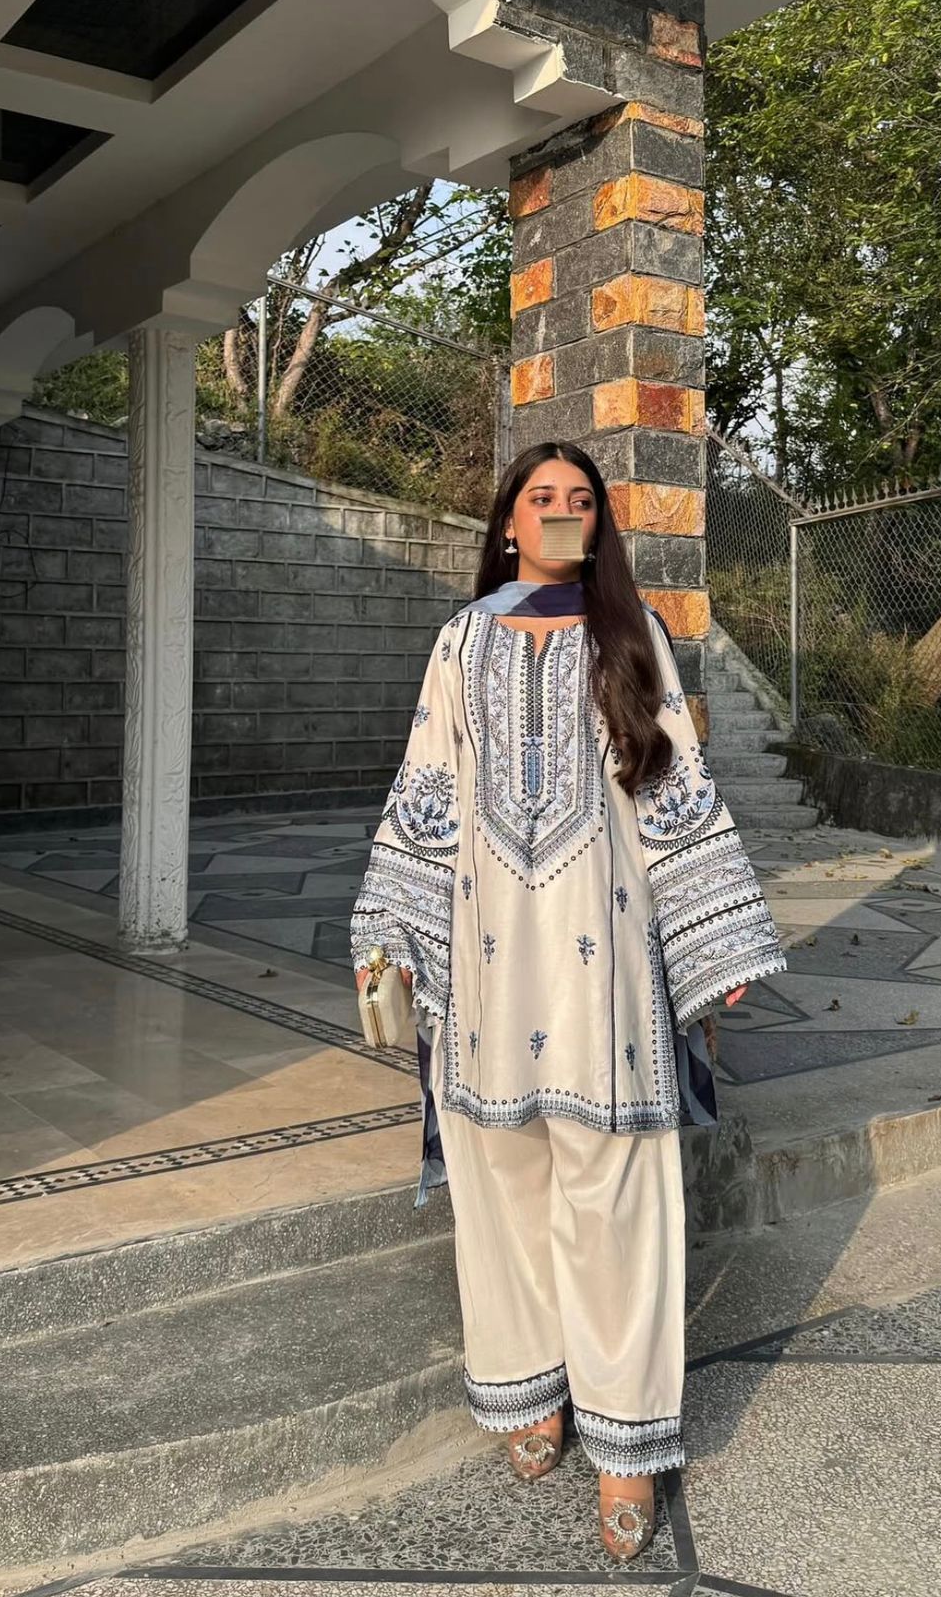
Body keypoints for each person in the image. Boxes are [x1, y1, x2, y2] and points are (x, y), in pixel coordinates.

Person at [350, 440, 789, 1561]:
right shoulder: (461, 641)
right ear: (508, 521)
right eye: (540, 497)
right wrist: (390, 931)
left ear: (596, 525)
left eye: (579, 499)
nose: (559, 511)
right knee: (500, 1180)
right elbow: (426, 786)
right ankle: (527, 1387)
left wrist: (710, 937)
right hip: (487, 959)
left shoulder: (631, 635)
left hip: (607, 963)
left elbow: (674, 784)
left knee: (616, 1190)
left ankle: (627, 1441)